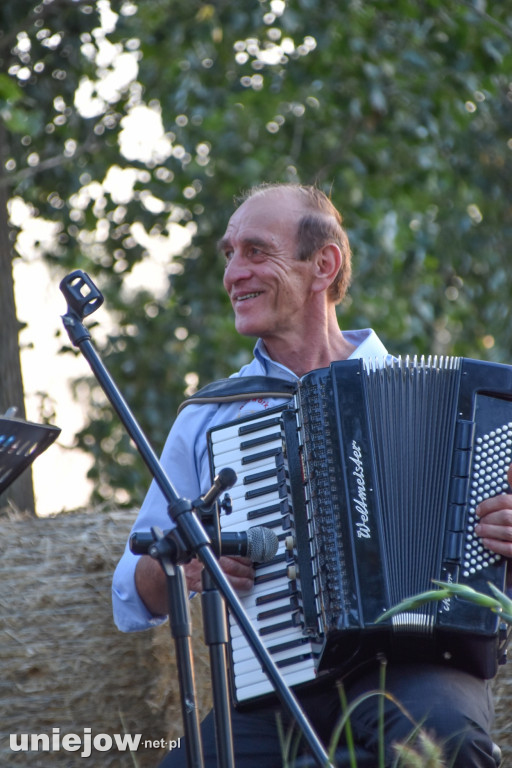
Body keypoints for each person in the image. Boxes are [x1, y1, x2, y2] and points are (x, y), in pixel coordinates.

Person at [113, 183, 512, 768]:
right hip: (274, 682)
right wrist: (185, 564)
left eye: (255, 251)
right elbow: (131, 588)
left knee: (450, 745)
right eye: (229, 254)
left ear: (323, 265)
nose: (233, 273)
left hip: (420, 665)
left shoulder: (459, 405)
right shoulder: (210, 417)